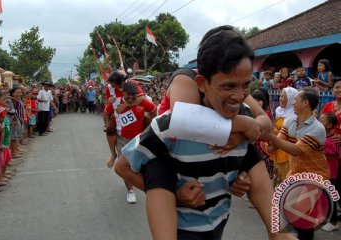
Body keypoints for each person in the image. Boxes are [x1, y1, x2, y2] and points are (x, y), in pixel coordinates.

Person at [116, 25, 294, 240]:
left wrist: (239, 178)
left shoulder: (245, 117)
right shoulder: (171, 126)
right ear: (202, 83)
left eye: (245, 85)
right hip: (180, 230)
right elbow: (123, 166)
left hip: (218, 224)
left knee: (252, 156)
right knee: (157, 167)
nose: (238, 96)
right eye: (228, 86)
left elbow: (255, 149)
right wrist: (176, 196)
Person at [267, 89, 330, 240]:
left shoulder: (317, 128)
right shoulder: (290, 121)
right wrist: (268, 141)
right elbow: (278, 142)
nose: (293, 102)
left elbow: (295, 150)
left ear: (305, 103)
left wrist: (270, 136)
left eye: (296, 99)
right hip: (295, 174)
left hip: (314, 177)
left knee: (304, 220)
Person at [104, 81, 157, 203]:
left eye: (134, 94)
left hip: (139, 139)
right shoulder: (116, 102)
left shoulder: (143, 102)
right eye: (128, 95)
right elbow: (107, 112)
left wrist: (153, 122)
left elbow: (153, 109)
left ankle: (146, 184)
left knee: (139, 166)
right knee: (124, 166)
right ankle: (130, 191)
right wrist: (107, 124)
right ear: (123, 93)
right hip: (122, 139)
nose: (131, 97)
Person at [104, 71, 144, 168]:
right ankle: (113, 154)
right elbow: (107, 102)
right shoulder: (109, 88)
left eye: (113, 85)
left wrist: (125, 105)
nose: (111, 86)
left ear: (121, 83)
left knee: (147, 121)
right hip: (117, 114)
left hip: (133, 110)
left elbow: (141, 98)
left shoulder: (131, 84)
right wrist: (108, 101)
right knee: (109, 129)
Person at [267, 87, 298, 185]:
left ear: (291, 99)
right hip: (277, 148)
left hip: (287, 150)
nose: (280, 98)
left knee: (286, 177)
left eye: (283, 96)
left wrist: (276, 133)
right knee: (277, 176)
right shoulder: (278, 110)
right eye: (280, 96)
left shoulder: (295, 115)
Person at [319, 113, 340, 232]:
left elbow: (337, 154)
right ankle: (325, 216)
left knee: (330, 196)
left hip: (331, 172)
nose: (319, 122)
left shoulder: (335, 139)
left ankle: (333, 221)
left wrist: (324, 151)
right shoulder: (321, 135)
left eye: (322, 121)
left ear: (329, 125)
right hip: (321, 171)